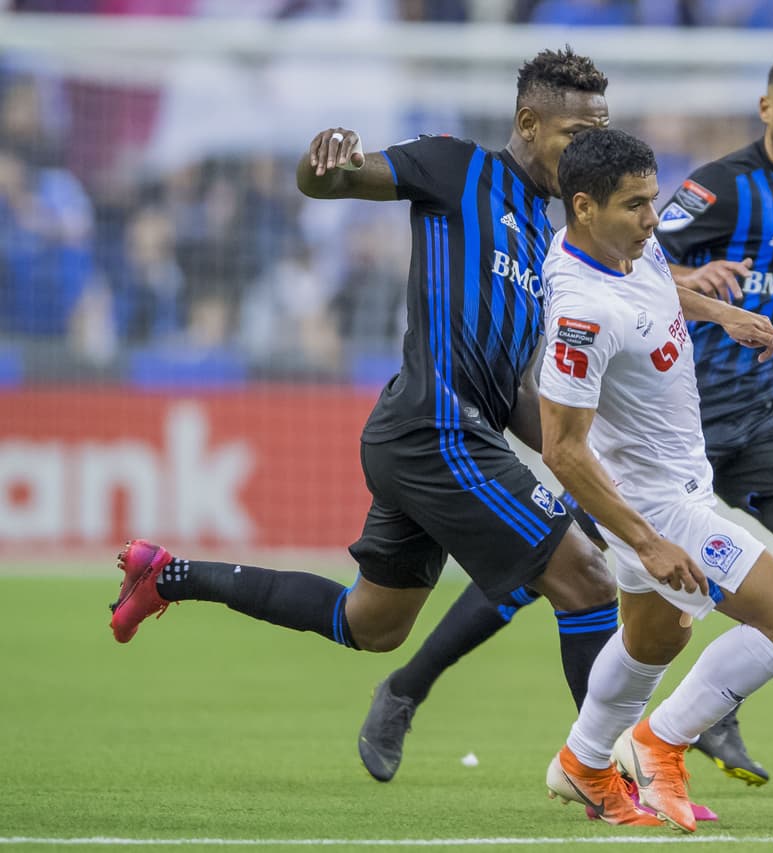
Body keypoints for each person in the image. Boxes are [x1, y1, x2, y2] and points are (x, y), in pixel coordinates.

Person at [105, 53, 648, 819]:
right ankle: (607, 783)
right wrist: (323, 157)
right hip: (434, 428)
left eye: (602, 131)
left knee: (373, 625)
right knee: (587, 579)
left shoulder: (546, 231)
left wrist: (579, 457)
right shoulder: (456, 168)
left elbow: (517, 390)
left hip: (436, 435)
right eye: (575, 132)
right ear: (529, 123)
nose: (590, 148)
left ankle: (170, 574)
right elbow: (329, 180)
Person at [358, 44, 773, 788]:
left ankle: (624, 739)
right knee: (561, 568)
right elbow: (630, 273)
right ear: (766, 110)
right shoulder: (705, 198)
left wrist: (757, 340)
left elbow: (687, 283)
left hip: (736, 422)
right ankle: (645, 735)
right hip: (643, 461)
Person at [540, 126, 773, 834]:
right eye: (636, 205)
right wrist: (646, 540)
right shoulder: (580, 311)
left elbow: (660, 290)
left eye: (653, 200)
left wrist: (727, 314)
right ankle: (660, 742)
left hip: (675, 485)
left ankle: (583, 760)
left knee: (657, 636)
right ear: (582, 207)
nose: (652, 219)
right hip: (655, 507)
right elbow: (564, 451)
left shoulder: (624, 245)